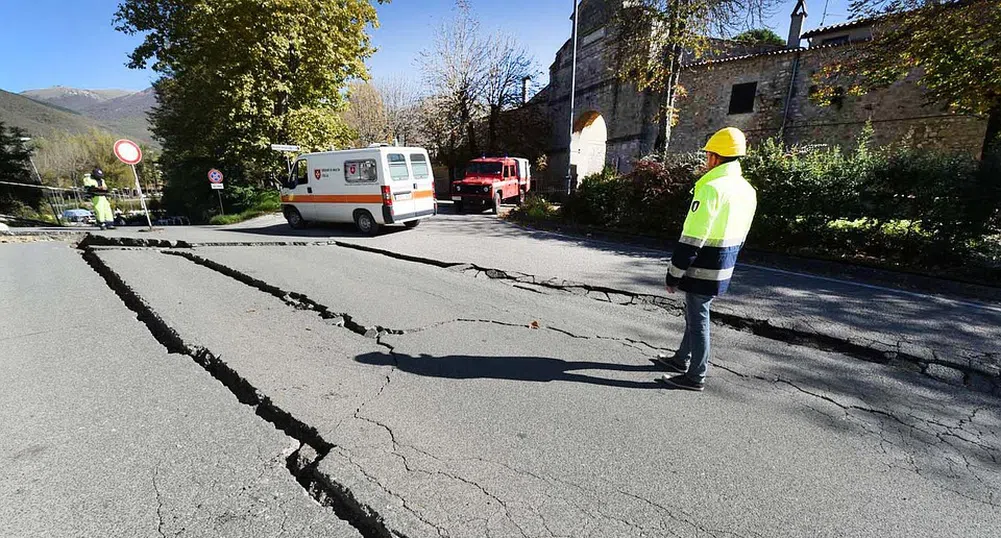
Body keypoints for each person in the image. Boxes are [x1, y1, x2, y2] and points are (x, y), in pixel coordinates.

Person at [657, 127, 757, 392]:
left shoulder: (712, 188)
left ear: (715, 157)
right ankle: (680, 360)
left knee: (698, 318)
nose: (706, 160)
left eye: (708, 155)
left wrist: (674, 273)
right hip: (725, 263)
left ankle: (695, 375)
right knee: (695, 313)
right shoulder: (747, 190)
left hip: (702, 266)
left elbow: (692, 237)